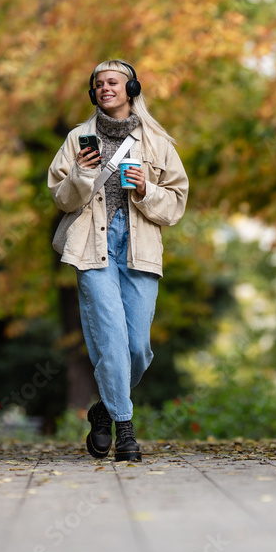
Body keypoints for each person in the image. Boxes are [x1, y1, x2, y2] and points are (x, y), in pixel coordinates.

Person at [48, 59, 188, 461]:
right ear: (93, 93)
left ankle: (102, 411)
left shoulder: (157, 141)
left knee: (138, 348)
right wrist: (80, 175)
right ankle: (126, 431)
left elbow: (175, 205)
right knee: (111, 337)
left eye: (113, 82)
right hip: (93, 245)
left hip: (140, 247)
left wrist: (146, 189)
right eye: (99, 84)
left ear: (131, 89)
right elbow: (61, 198)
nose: (105, 88)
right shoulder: (78, 138)